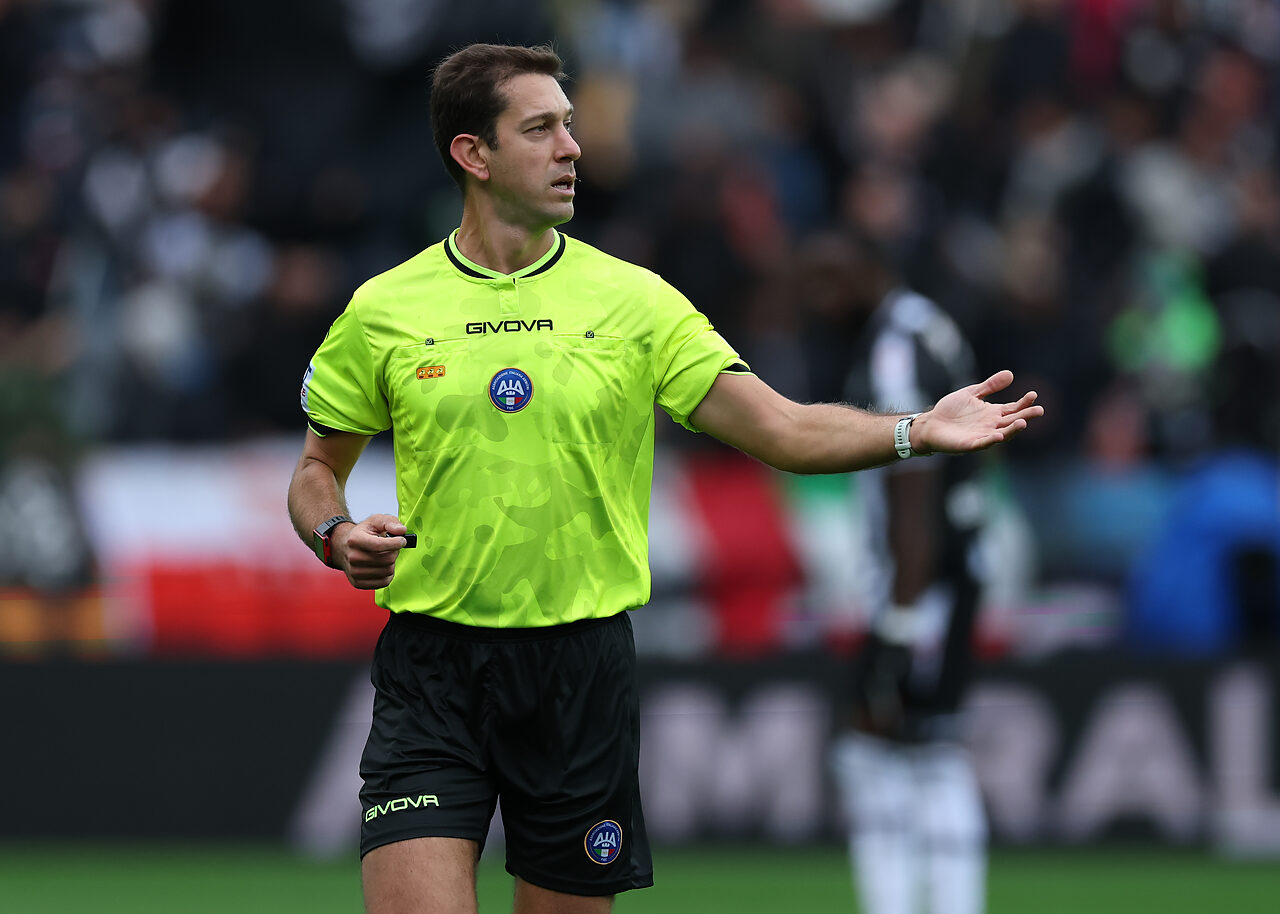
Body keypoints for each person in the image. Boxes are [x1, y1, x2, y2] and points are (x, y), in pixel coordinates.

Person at [286, 43, 1041, 914]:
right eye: (541, 129)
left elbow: (784, 429)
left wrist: (915, 430)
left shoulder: (635, 301)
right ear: (473, 154)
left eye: (569, 126)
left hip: (580, 671)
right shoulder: (386, 308)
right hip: (434, 670)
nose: (572, 147)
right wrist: (336, 534)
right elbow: (315, 471)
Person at [823, 233, 989, 914]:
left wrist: (898, 619)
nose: (817, 299)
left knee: (883, 751)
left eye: (828, 279)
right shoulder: (927, 324)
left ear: (866, 273)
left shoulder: (894, 348)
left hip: (920, 584)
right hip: (955, 569)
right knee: (931, 747)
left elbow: (913, 489)